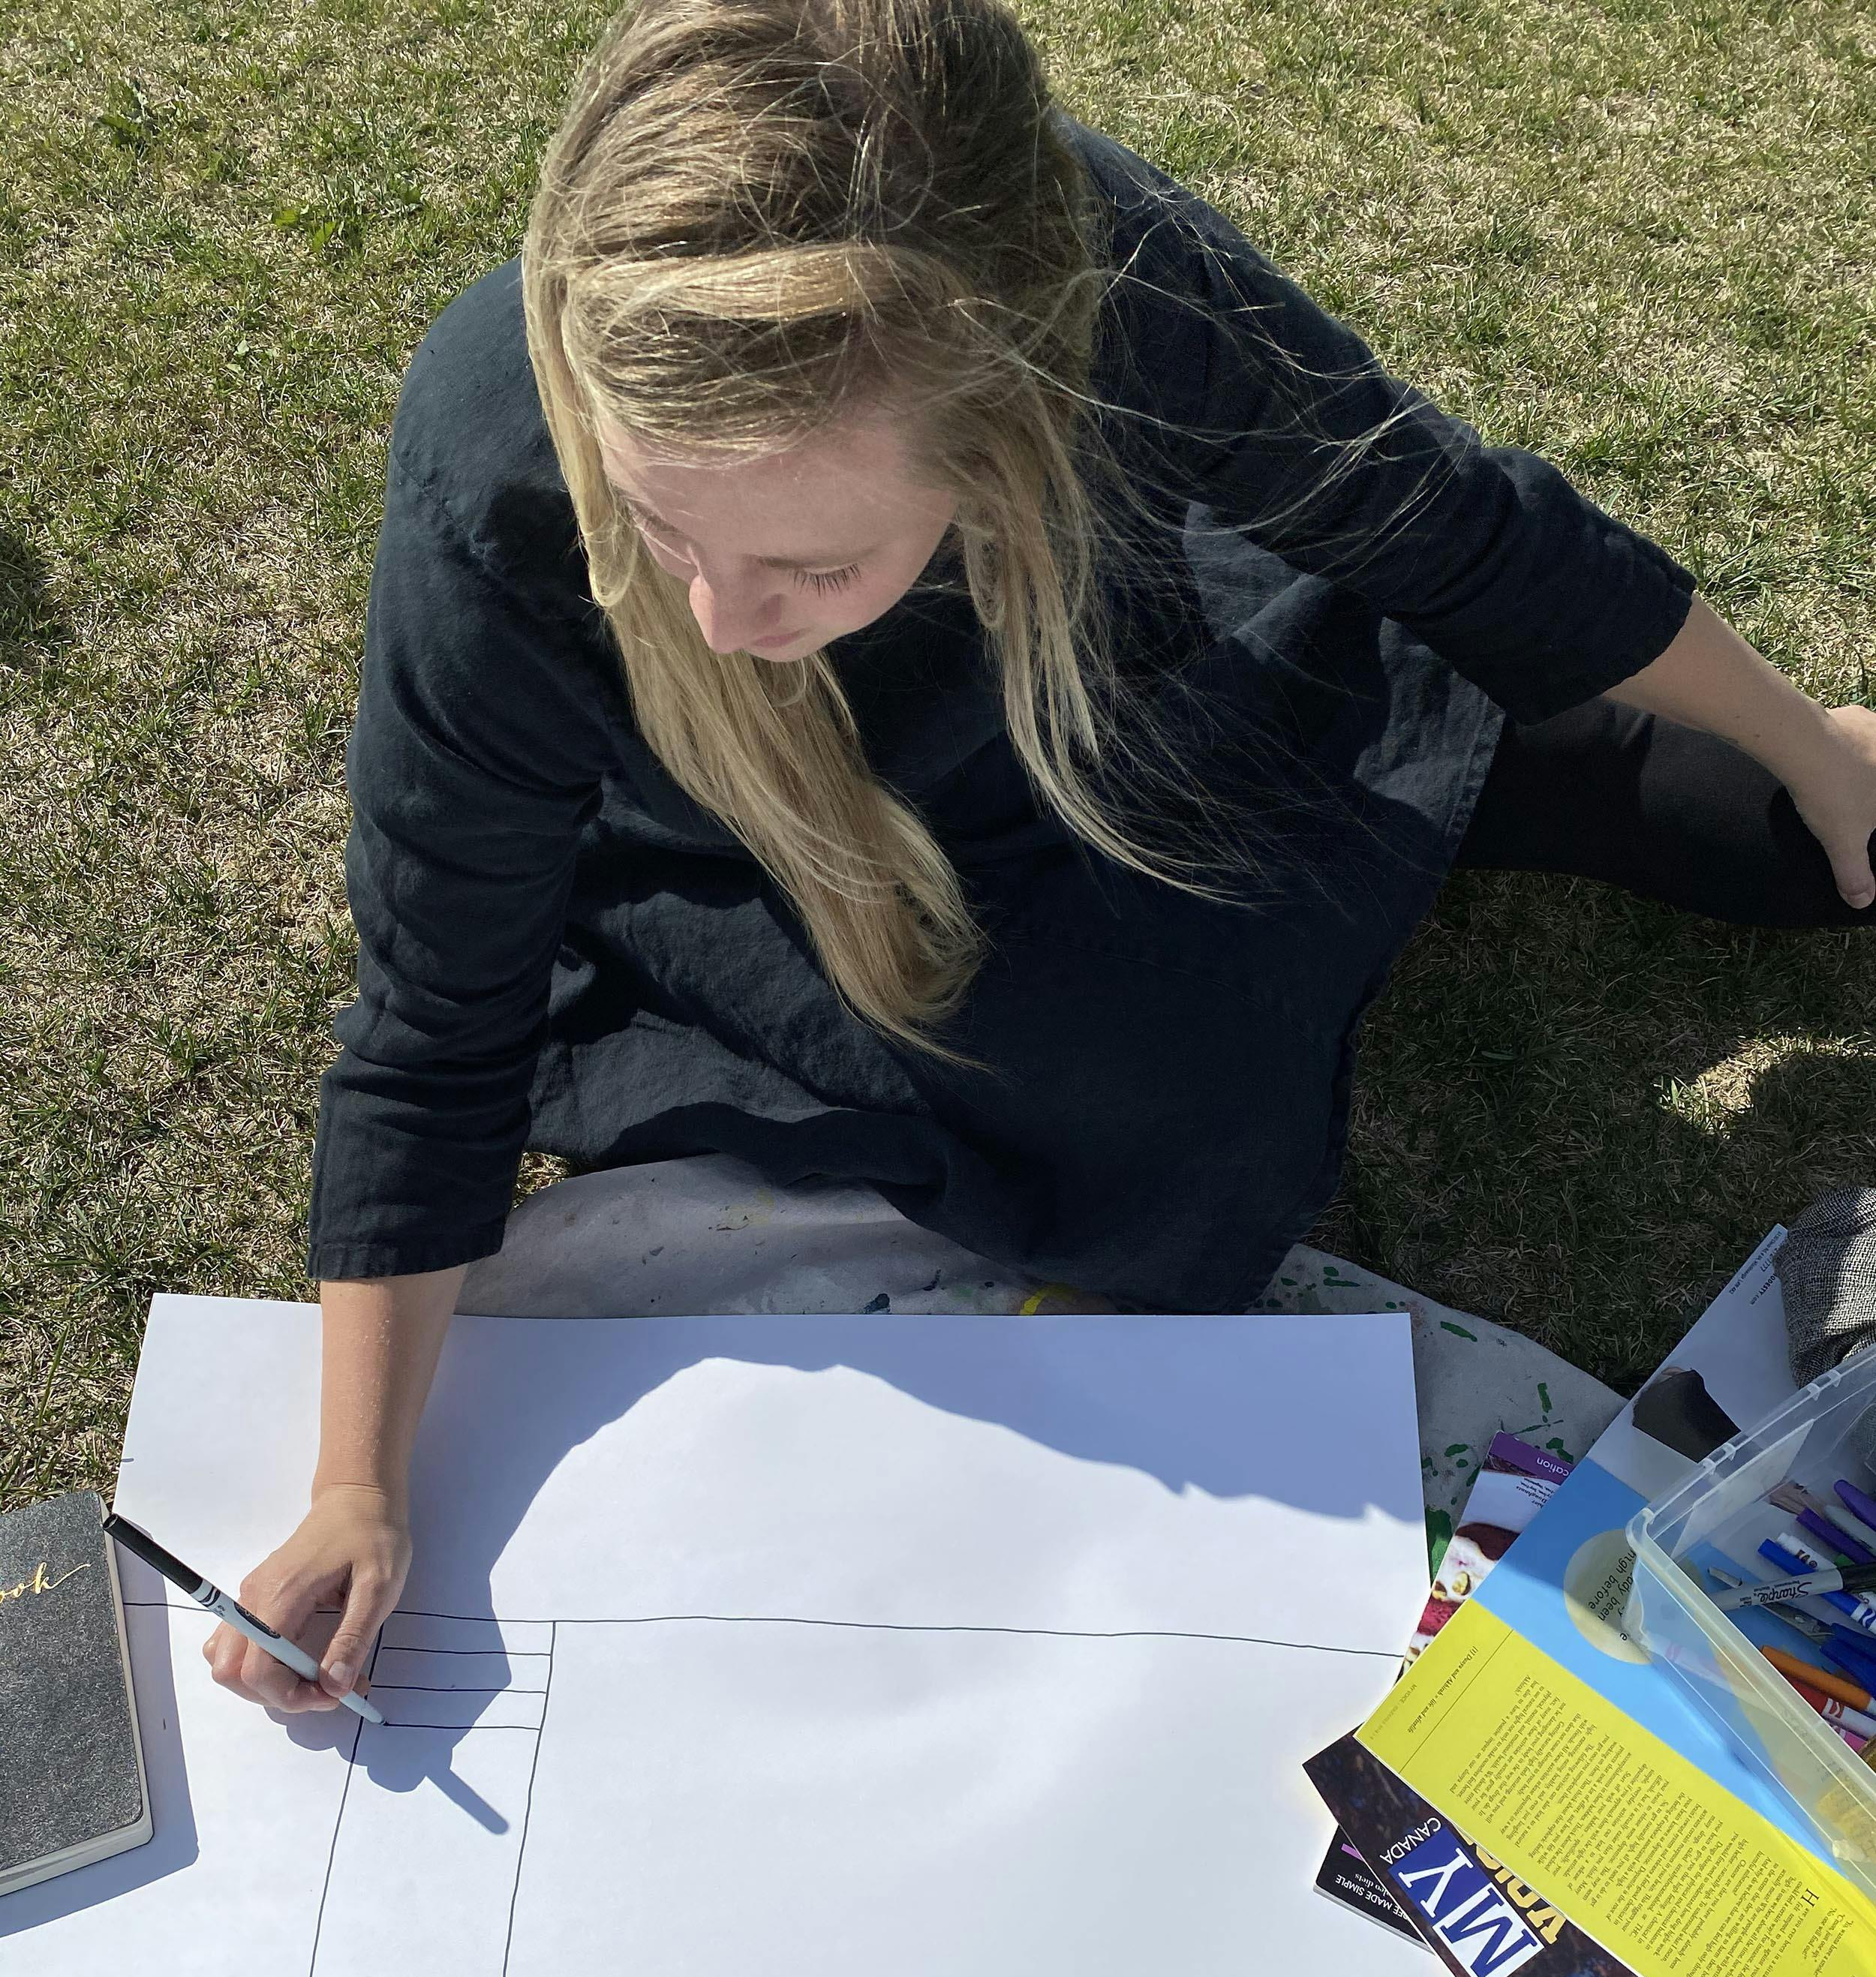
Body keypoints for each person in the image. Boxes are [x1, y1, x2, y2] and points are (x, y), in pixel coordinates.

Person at [207, 0, 1876, 1713]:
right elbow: (433, 1015)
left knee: (1764, 832)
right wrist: (358, 1481)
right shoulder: (501, 468)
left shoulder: (1102, 280)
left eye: (803, 559)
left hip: (1112, 674)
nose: (716, 616)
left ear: (1003, 414)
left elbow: (1447, 526)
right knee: (1139, 1099)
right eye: (659, 526)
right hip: (765, 856)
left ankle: (1457, 779)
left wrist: (1807, 743)